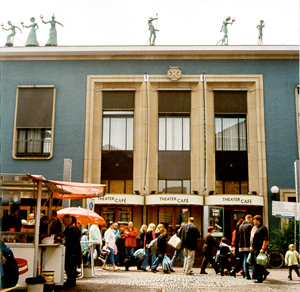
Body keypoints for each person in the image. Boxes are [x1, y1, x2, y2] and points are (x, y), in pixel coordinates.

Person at [62, 214, 81, 287]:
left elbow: (72, 241)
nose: (63, 223)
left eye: (64, 221)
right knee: (70, 267)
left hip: (72, 251)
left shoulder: (73, 229)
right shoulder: (71, 228)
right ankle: (70, 280)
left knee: (71, 266)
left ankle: (71, 281)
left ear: (67, 221)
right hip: (72, 251)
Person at [232, 214, 253, 279]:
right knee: (246, 260)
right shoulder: (250, 226)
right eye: (251, 219)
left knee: (242, 259)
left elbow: (237, 236)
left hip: (240, 245)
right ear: (249, 219)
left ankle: (235, 270)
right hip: (247, 245)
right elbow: (251, 237)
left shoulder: (240, 226)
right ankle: (247, 274)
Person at [250, 215, 269, 283]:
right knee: (254, 262)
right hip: (254, 247)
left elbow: (265, 239)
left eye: (254, 220)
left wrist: (263, 248)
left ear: (259, 221)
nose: (253, 221)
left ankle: (259, 278)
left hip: (259, 248)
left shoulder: (263, 228)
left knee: (258, 264)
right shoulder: (255, 228)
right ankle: (265, 272)